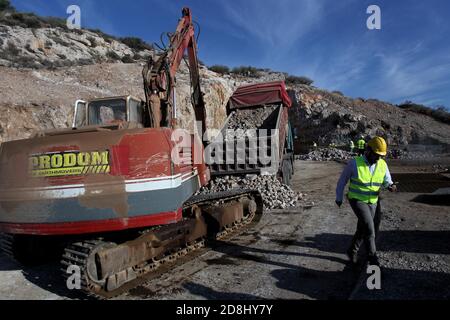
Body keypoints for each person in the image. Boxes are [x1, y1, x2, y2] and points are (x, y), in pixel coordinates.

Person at [335, 136, 397, 266]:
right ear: (368, 150)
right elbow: (342, 181)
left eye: (380, 156)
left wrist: (390, 186)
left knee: (362, 228)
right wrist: (339, 198)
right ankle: (373, 260)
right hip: (357, 200)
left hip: (373, 201)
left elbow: (387, 181)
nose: (378, 158)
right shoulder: (354, 163)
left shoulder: (382, 165)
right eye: (376, 155)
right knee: (370, 228)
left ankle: (352, 251)